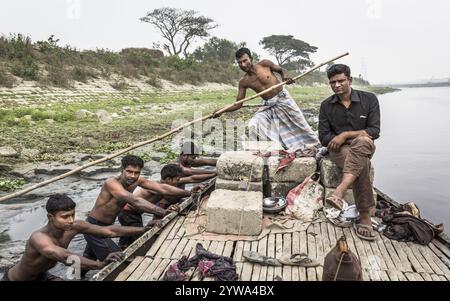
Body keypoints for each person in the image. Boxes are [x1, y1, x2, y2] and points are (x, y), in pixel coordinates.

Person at [2, 194, 149, 281]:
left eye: (72, 214)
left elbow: (109, 230)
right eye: (65, 217)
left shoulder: (74, 226)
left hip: (42, 275)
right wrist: (99, 265)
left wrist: (143, 229)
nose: (71, 220)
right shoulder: (39, 238)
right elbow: (65, 256)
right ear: (50, 217)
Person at [83, 155, 192, 261]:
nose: (133, 176)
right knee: (116, 257)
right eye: (129, 171)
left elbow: (162, 188)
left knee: (88, 260)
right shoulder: (111, 183)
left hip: (108, 226)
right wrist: (163, 212)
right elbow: (134, 200)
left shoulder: (137, 181)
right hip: (94, 225)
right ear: (122, 169)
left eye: (137, 173)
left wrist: (189, 193)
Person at [212, 47, 319, 151]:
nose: (243, 65)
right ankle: (279, 148)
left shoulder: (265, 64)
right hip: (268, 106)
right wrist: (221, 111)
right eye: (240, 62)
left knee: (301, 125)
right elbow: (238, 104)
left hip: (283, 100)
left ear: (251, 58)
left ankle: (314, 144)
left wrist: (285, 77)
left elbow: (282, 70)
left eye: (245, 61)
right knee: (255, 123)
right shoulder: (244, 81)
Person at [318, 64, 380, 241]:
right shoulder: (326, 106)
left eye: (340, 81)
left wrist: (344, 135)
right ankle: (365, 217)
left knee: (362, 142)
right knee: (363, 163)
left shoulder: (369, 99)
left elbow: (374, 131)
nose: (336, 85)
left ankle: (339, 192)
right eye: (332, 82)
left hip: (364, 145)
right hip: (339, 150)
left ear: (350, 80)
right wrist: (342, 140)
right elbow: (324, 137)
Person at [118, 163, 215, 248]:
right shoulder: (155, 187)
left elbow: (191, 178)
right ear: (168, 179)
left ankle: (122, 246)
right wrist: (191, 193)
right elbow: (168, 190)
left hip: (134, 213)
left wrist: (214, 174)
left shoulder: (169, 182)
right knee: (138, 239)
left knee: (127, 237)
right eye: (177, 180)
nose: (178, 182)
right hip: (128, 213)